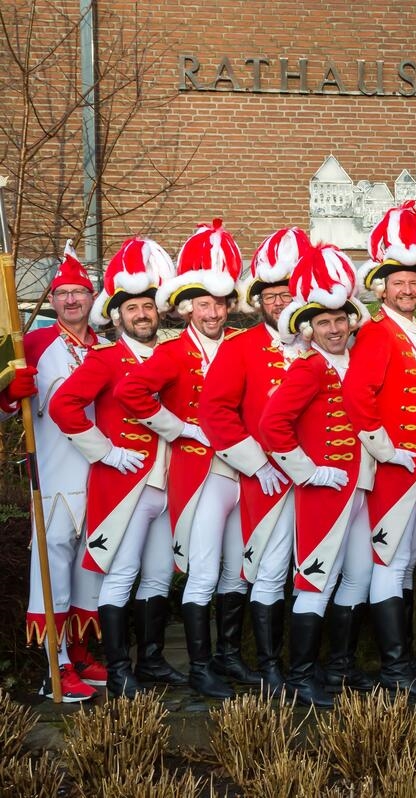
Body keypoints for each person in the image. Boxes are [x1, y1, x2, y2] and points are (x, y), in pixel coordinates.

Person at [117, 219, 253, 699]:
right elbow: (132, 391)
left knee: (238, 567)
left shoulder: (243, 345)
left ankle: (228, 656)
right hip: (200, 472)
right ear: (187, 307)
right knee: (205, 568)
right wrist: (179, 428)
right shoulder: (174, 351)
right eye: (203, 303)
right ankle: (199, 666)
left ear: (228, 305)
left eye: (218, 303)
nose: (212, 312)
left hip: (246, 470)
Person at [49, 237, 180, 698]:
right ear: (118, 315)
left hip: (171, 481)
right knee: (121, 573)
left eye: (148, 307)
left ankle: (154, 659)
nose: (142, 315)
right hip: (126, 483)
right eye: (132, 309)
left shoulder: (171, 355)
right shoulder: (105, 359)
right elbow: (63, 405)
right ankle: (120, 668)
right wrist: (103, 450)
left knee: (161, 573)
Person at [259, 243, 374, 706]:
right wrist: (307, 472)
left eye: (340, 320)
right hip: (326, 488)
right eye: (323, 322)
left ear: (350, 321)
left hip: (360, 485)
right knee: (315, 578)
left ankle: (338, 666)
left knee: (360, 574)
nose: (333, 328)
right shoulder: (309, 368)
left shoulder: (355, 360)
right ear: (310, 327)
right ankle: (302, 676)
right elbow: (272, 426)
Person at [346, 200, 416, 698]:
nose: (407, 288)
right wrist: (385, 450)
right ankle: (392, 668)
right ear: (381, 286)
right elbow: (357, 396)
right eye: (397, 281)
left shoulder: (412, 333)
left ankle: (402, 661)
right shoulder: (377, 332)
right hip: (396, 466)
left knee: (404, 561)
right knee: (387, 560)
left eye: (413, 281)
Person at [199, 226, 307, 694]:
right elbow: (214, 410)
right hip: (263, 479)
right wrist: (254, 463)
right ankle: (268, 666)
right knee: (268, 568)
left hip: (319, 479)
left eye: (289, 294)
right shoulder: (238, 348)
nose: (281, 302)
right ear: (259, 300)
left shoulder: (318, 342)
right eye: (272, 295)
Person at [2, 242, 106, 701]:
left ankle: (80, 650)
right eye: (62, 293)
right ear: (52, 298)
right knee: (53, 567)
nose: (70, 301)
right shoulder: (35, 344)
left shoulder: (107, 348)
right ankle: (55, 665)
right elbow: (5, 411)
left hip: (100, 475)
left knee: (91, 563)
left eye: (78, 293)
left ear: (91, 297)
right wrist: (9, 393)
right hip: (54, 474)